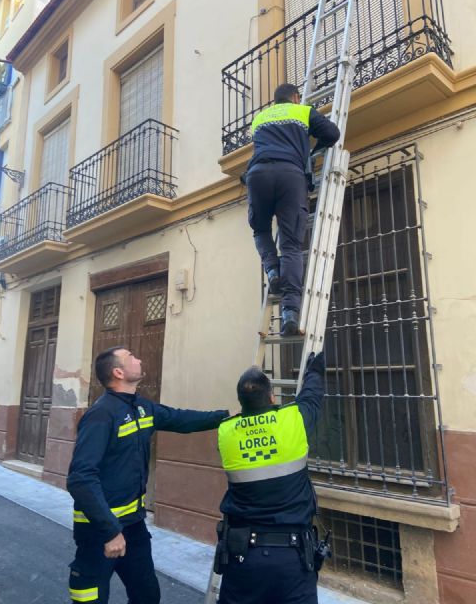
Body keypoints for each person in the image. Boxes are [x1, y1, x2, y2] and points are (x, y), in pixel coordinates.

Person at [66, 346, 229, 604]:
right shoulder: (101, 415)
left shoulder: (141, 407)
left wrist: (226, 418)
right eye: (132, 357)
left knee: (147, 595)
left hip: (133, 526)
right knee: (89, 598)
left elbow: (179, 419)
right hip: (98, 531)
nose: (139, 359)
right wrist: (110, 531)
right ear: (118, 372)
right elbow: (80, 478)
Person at [215, 351, 326, 604]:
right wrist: (315, 369)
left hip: (242, 557)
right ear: (272, 396)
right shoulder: (293, 420)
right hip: (291, 559)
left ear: (240, 402)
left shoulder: (226, 432)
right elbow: (312, 397)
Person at [245, 83, 340, 336]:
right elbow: (332, 133)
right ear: (295, 98)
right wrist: (310, 151)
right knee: (290, 245)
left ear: (275, 101)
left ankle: (273, 270)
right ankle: (290, 313)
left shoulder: (259, 119)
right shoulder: (303, 111)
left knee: (260, 229)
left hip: (257, 175)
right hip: (290, 175)